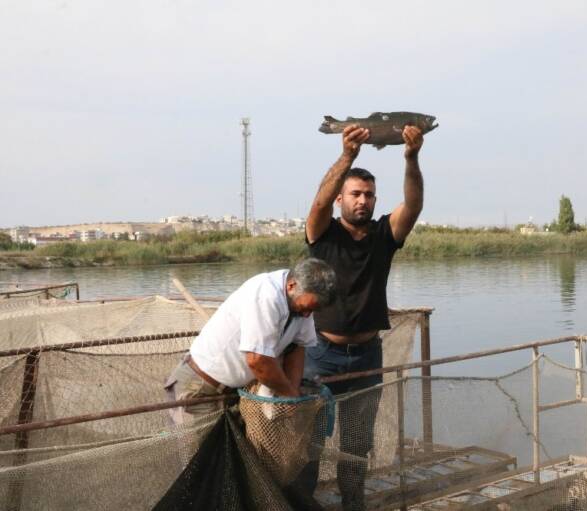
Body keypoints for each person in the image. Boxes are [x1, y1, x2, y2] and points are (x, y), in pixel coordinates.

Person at [296, 124, 425, 509]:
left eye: (369, 195)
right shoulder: (323, 234)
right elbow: (317, 205)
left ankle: (354, 504)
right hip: (321, 355)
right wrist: (348, 156)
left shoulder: (385, 233)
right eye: (355, 194)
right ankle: (303, 504)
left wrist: (412, 156)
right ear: (340, 199)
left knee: (356, 445)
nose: (363, 201)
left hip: (368, 356)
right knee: (311, 444)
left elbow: (414, 206)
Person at [164, 258, 336, 424]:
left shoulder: (302, 304)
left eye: (313, 310)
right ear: (292, 286)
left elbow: (297, 347)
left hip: (236, 392)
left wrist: (292, 392)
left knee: (232, 452)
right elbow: (258, 360)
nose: (307, 315)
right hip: (200, 389)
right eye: (305, 308)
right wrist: (289, 395)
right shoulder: (266, 295)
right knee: (200, 453)